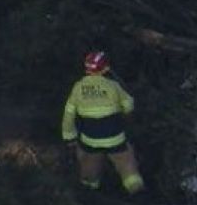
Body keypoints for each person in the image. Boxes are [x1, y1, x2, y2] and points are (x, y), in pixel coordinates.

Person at [61, 51, 145, 194]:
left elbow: (68, 115)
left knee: (89, 168)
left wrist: (69, 137)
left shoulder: (78, 88)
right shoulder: (113, 86)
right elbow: (129, 105)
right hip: (115, 138)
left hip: (90, 140)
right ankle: (137, 193)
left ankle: (90, 193)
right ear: (105, 68)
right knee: (126, 164)